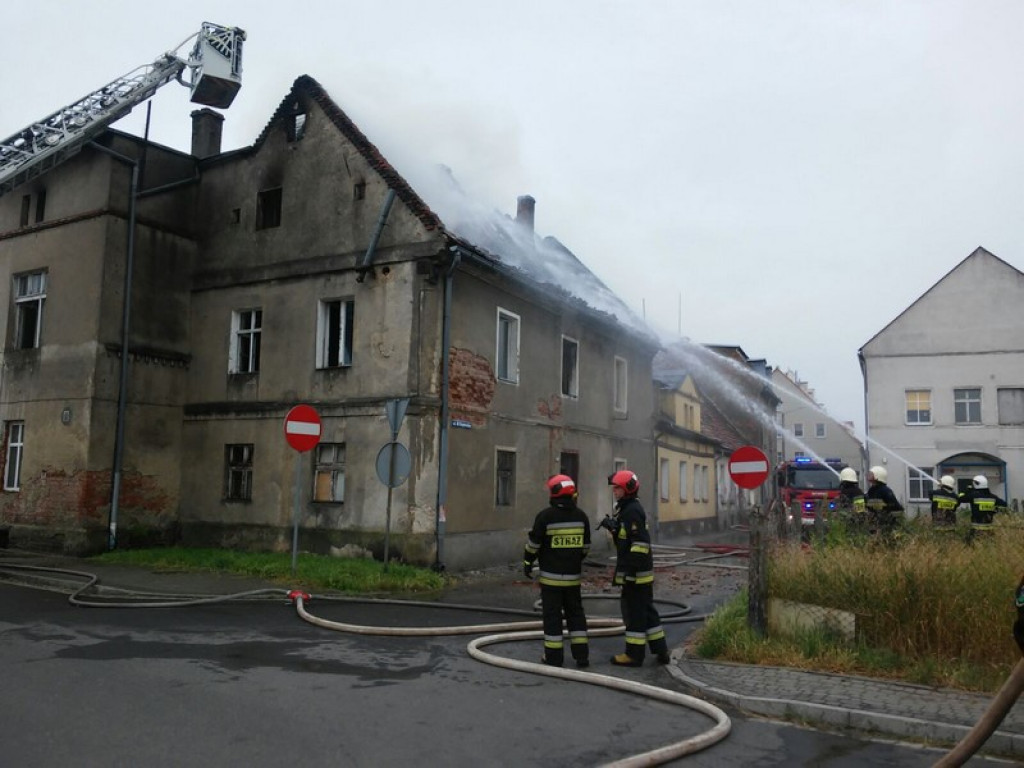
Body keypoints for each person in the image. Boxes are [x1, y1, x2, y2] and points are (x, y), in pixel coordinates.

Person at [522, 474, 591, 668]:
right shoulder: (581, 517)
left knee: (552, 618)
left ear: (554, 493)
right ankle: (582, 656)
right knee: (576, 615)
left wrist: (527, 562)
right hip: (573, 579)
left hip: (551, 580)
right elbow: (585, 548)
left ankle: (553, 657)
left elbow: (533, 545)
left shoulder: (545, 516)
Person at [603, 469, 670, 667]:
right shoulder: (629, 509)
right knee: (648, 612)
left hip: (635, 574)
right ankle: (661, 650)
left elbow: (640, 544)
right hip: (640, 573)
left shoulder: (631, 511)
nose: (614, 491)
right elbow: (627, 540)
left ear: (627, 489)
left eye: (617, 488)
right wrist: (614, 529)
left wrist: (629, 573)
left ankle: (633, 655)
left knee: (634, 615)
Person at [961, 474, 1008, 543]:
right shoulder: (993, 497)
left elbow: (961, 499)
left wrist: (968, 491)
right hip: (989, 530)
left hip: (976, 530)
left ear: (976, 484)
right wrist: (994, 510)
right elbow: (1004, 505)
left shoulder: (973, 496)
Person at [865, 465, 903, 537]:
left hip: (885, 524)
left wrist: (888, 518)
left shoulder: (885, 491)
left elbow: (896, 508)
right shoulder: (872, 490)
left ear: (878, 476)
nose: (868, 475)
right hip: (874, 522)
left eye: (871, 474)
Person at [834, 467, 866, 531]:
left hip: (848, 524)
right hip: (856, 524)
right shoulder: (858, 491)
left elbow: (859, 510)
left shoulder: (844, 492)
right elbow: (860, 510)